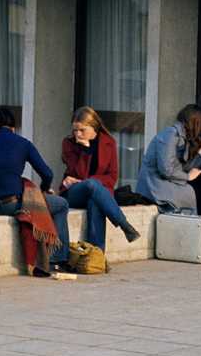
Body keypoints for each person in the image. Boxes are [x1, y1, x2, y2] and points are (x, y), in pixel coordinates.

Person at [0, 107, 71, 276]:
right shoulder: (23, 143)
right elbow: (47, 173)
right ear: (13, 127)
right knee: (61, 205)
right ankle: (57, 259)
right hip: (9, 205)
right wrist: (44, 189)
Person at [60, 106, 141, 252]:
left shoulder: (109, 142)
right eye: (75, 130)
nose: (78, 134)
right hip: (74, 192)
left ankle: (96, 255)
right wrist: (85, 151)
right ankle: (124, 224)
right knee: (91, 185)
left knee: (95, 201)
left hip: (99, 193)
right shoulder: (69, 143)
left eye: (82, 130)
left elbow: (112, 176)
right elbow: (78, 173)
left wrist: (90, 181)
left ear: (94, 127)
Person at [137, 104, 201, 215]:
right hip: (157, 186)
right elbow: (166, 170)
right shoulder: (170, 135)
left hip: (172, 181)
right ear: (196, 123)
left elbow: (183, 167)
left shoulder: (183, 136)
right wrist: (188, 177)